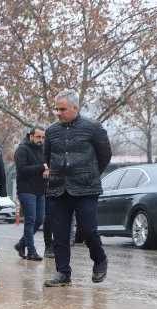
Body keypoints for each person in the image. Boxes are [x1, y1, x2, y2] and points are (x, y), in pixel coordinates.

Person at [43, 89, 112, 287]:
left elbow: (105, 155)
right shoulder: (52, 131)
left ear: (75, 107)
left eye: (62, 109)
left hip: (86, 189)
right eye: (56, 109)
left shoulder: (93, 128)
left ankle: (99, 260)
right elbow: (48, 156)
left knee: (88, 230)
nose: (59, 113)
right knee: (60, 234)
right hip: (58, 189)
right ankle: (63, 273)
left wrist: (88, 173)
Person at [13, 126, 48, 261]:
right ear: (31, 136)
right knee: (30, 220)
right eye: (38, 137)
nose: (41, 140)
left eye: (43, 137)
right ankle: (31, 251)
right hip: (26, 190)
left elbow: (48, 165)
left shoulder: (43, 150)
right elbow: (21, 169)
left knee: (39, 219)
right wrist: (42, 167)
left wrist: (47, 170)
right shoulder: (22, 149)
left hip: (40, 189)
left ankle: (21, 244)